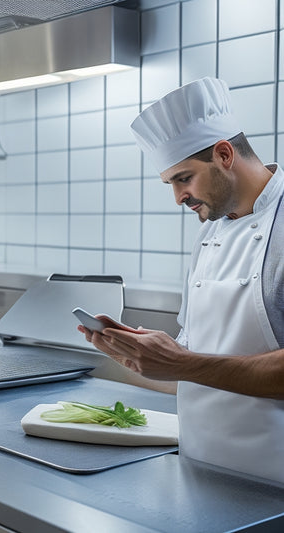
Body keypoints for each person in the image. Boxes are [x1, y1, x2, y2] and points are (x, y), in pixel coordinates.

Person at [77, 77, 284, 484]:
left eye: (183, 178)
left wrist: (181, 363)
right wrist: (149, 354)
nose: (178, 198)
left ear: (224, 154)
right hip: (203, 464)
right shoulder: (210, 229)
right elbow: (198, 349)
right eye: (170, 183)